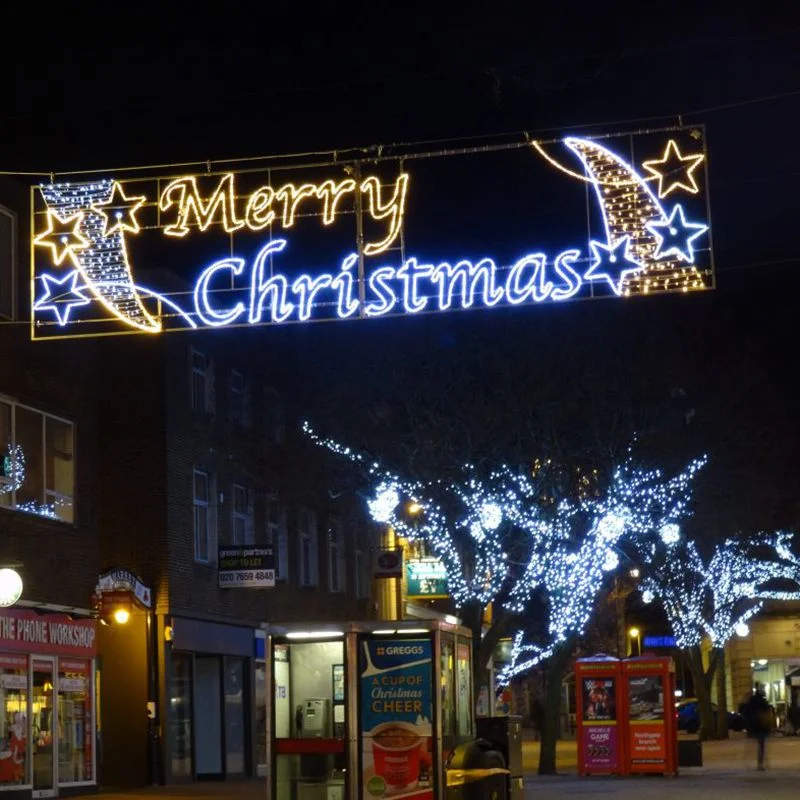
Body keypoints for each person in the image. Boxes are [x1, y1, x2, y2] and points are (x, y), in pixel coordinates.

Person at [742, 684, 774, 770]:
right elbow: (768, 711)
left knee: (758, 744)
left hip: (754, 726)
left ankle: (758, 763)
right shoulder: (762, 701)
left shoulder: (752, 700)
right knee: (761, 745)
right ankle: (760, 763)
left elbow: (745, 711)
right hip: (761, 725)